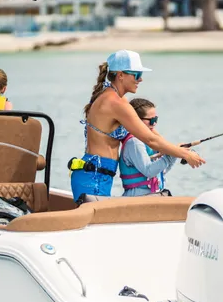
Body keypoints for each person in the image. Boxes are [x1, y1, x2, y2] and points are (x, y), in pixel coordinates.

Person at [69, 49, 205, 203]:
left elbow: (153, 135)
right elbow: (150, 140)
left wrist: (176, 149)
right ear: (120, 75)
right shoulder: (116, 103)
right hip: (94, 178)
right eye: (137, 75)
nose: (141, 80)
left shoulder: (114, 98)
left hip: (97, 175)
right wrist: (184, 155)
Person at [119, 98, 176, 196]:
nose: (154, 124)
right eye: (151, 120)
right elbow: (149, 171)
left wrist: (174, 155)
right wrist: (171, 154)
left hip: (153, 194)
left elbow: (161, 171)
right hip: (136, 197)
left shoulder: (147, 141)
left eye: (156, 119)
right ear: (136, 120)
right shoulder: (134, 143)